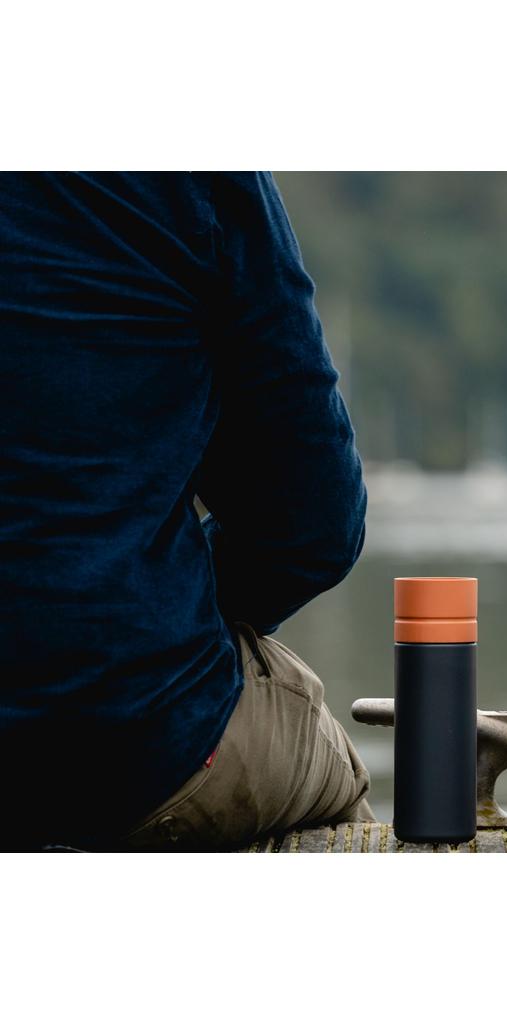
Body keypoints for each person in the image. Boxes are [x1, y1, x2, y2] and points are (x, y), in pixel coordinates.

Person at [0, 172, 374, 850]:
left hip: (119, 729)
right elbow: (314, 523)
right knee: (328, 781)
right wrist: (145, 608)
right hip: (135, 740)